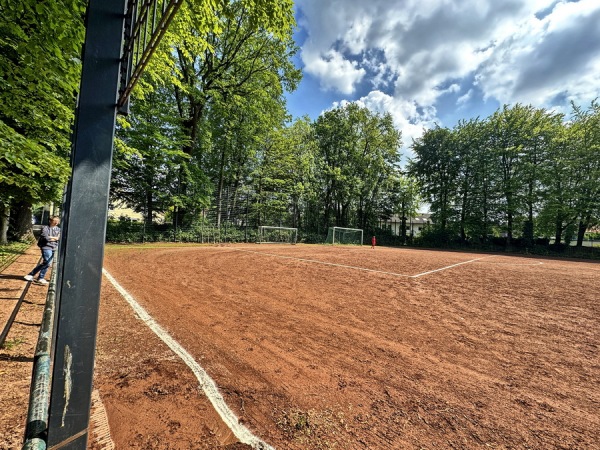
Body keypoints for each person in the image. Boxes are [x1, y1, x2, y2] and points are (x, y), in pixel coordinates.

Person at [24, 216, 61, 285]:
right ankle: (39, 277)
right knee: (47, 262)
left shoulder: (58, 229)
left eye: (58, 221)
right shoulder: (45, 228)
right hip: (46, 247)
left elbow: (59, 238)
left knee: (46, 263)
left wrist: (53, 238)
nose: (56, 222)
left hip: (54, 247)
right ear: (50, 221)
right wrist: (55, 238)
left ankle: (33, 275)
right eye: (55, 221)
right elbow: (46, 238)